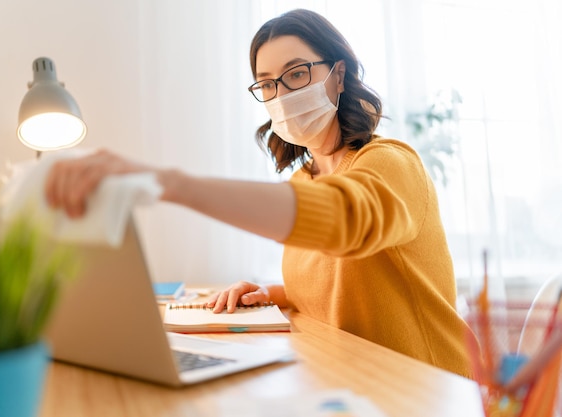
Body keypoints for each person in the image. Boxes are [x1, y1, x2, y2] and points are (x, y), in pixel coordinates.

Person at [44, 8, 473, 378]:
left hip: (427, 387)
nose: (281, 94)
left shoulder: (391, 163)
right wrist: (273, 293)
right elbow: (344, 288)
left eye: (297, 73)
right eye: (267, 84)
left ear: (338, 75)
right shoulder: (303, 182)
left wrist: (171, 184)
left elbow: (345, 221)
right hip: (356, 379)